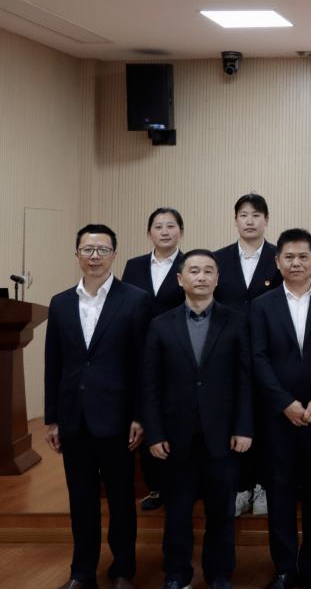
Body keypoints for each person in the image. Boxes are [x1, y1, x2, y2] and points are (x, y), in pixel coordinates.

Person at [44, 224, 151, 589]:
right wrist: (52, 418)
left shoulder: (135, 299)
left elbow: (143, 365)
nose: (95, 256)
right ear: (77, 254)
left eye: (103, 250)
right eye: (88, 250)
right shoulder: (60, 302)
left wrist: (140, 415)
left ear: (114, 255)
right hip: (73, 418)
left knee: (121, 498)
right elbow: (54, 364)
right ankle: (82, 573)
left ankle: (122, 571)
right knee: (81, 500)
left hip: (118, 418)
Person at [141, 249, 254, 589]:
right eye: (194, 271)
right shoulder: (160, 325)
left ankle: (220, 574)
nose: (201, 276)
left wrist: (244, 427)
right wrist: (154, 432)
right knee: (177, 511)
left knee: (222, 511)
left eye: (208, 270)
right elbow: (150, 384)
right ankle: (177, 574)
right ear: (180, 279)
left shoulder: (237, 321)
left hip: (224, 435)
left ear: (217, 279)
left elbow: (245, 380)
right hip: (176, 436)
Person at [251, 229, 311, 589]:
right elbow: (259, 359)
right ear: (277, 261)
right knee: (280, 493)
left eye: (303, 256)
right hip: (279, 417)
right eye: (288, 257)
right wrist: (284, 403)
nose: (296, 263)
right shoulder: (262, 304)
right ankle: (284, 568)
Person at [214, 192, 281, 516]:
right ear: (235, 220)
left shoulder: (280, 257)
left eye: (256, 215)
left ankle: (263, 486)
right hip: (228, 355)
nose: (250, 221)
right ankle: (241, 488)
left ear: (266, 220)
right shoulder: (218, 259)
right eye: (244, 215)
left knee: (267, 424)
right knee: (235, 421)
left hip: (271, 353)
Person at [121, 207, 186, 513]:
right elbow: (123, 306)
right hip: (141, 349)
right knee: (147, 414)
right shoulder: (134, 266)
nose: (164, 231)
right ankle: (156, 487)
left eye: (171, 226)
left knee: (177, 416)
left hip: (180, 350)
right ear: (149, 233)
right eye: (158, 226)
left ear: (181, 232)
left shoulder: (191, 264)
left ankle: (184, 484)